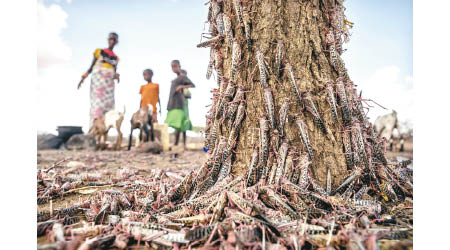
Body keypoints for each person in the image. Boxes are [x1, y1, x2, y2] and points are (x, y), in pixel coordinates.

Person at [78, 32, 120, 127]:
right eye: (110, 39)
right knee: (97, 105)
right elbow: (91, 66)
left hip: (109, 85)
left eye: (114, 39)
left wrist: (116, 76)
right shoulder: (99, 52)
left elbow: (114, 71)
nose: (112, 41)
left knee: (108, 108)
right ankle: (93, 128)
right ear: (108, 40)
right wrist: (83, 77)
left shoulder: (116, 58)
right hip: (98, 82)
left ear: (117, 42)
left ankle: (103, 133)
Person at [165, 60, 195, 149]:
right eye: (172, 66)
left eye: (175, 66)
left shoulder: (182, 77)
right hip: (173, 103)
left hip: (180, 104)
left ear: (179, 66)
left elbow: (192, 85)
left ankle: (177, 144)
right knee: (177, 125)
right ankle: (177, 144)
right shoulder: (175, 79)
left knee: (180, 124)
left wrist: (181, 87)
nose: (173, 68)